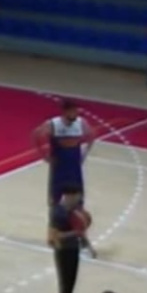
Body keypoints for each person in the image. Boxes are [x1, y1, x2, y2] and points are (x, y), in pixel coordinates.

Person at [34, 99, 94, 254]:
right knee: (56, 203)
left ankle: (81, 237)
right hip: (59, 169)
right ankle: (52, 236)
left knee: (78, 202)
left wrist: (85, 153)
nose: (76, 113)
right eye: (73, 111)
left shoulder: (81, 123)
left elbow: (91, 136)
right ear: (65, 111)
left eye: (77, 111)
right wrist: (44, 155)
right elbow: (36, 135)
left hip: (74, 169)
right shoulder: (53, 124)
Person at [48, 185, 91, 293]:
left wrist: (88, 245)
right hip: (63, 252)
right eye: (77, 197)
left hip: (73, 249)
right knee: (65, 286)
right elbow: (54, 236)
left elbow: (81, 230)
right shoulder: (57, 212)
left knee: (71, 284)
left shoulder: (74, 210)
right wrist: (75, 233)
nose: (78, 200)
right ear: (68, 196)